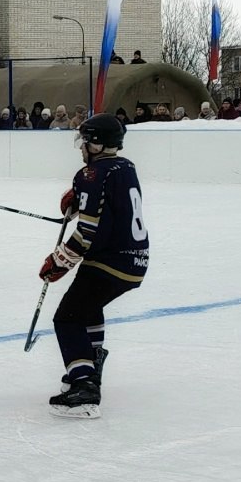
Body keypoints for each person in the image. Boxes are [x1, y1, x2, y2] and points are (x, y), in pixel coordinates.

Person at [39, 114, 148, 419]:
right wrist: (78, 201)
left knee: (67, 318)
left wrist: (59, 261)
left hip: (108, 260)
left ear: (97, 143)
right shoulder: (125, 166)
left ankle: (85, 386)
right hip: (134, 259)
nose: (81, 147)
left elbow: (88, 231)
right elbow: (111, 207)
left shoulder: (91, 173)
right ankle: (89, 365)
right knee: (88, 307)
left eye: (85, 141)